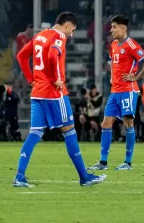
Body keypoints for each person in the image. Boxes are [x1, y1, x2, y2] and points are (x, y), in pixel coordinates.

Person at [14, 11, 106, 187]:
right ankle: (84, 177)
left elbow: (21, 56)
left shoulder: (40, 35)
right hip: (54, 93)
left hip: (37, 93)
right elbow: (52, 55)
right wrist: (56, 77)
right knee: (69, 131)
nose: (71, 34)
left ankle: (19, 176)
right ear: (67, 25)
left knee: (35, 133)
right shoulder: (59, 36)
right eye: (72, 30)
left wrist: (31, 79)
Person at [88, 15, 144, 171]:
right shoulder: (114, 44)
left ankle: (128, 162)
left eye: (114, 27)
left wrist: (135, 77)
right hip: (115, 91)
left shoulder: (131, 44)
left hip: (128, 91)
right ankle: (103, 163)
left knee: (128, 123)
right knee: (105, 123)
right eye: (111, 27)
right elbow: (114, 63)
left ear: (124, 28)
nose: (111, 30)